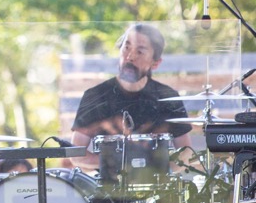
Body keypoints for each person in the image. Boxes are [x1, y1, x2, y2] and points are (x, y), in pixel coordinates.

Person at [69, 23, 192, 175]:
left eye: (140, 51)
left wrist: (158, 170)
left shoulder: (167, 97)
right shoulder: (95, 96)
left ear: (155, 62)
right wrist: (117, 163)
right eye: (126, 47)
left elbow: (186, 153)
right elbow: (76, 154)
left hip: (157, 186)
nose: (130, 56)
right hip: (108, 186)